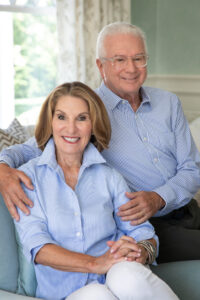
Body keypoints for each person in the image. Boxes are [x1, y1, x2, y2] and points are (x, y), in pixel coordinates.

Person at [0, 22, 200, 263]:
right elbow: (29, 148)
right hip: (144, 226)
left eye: (138, 58)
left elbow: (192, 169)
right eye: (119, 60)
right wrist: (2, 170)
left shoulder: (169, 103)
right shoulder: (86, 113)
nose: (131, 68)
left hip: (190, 210)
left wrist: (158, 197)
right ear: (100, 65)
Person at [13, 81, 178, 300]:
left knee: (125, 275)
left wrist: (139, 252)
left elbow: (143, 234)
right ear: (50, 121)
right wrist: (97, 263)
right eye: (61, 117)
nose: (71, 128)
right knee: (97, 295)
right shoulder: (28, 178)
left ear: (93, 124)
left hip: (120, 278)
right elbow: (39, 248)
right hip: (67, 293)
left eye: (82, 118)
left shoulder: (109, 176)